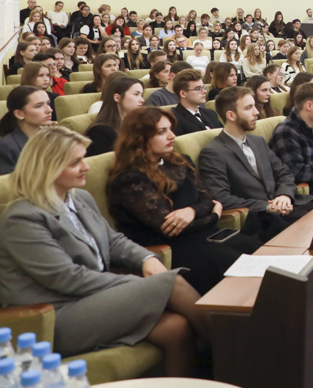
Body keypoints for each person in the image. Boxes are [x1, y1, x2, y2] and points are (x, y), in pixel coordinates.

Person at [0, 126, 212, 375]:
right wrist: (136, 284)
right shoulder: (23, 218)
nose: (86, 166)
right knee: (172, 282)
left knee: (176, 328)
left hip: (92, 299)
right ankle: (236, 354)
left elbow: (113, 241)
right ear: (48, 167)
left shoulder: (78, 197)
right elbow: (68, 279)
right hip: (53, 316)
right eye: (76, 162)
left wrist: (146, 258)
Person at [107, 107, 260, 295]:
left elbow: (208, 197)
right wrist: (213, 214)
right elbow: (170, 228)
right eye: (162, 132)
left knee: (254, 248)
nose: (172, 136)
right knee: (229, 262)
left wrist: (192, 211)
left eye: (171, 129)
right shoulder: (130, 179)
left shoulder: (179, 161)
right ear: (140, 138)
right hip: (170, 249)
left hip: (205, 235)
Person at [197, 87, 313, 242]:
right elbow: (221, 197)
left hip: (286, 207)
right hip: (259, 219)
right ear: (231, 115)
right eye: (249, 108)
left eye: (254, 106)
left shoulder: (258, 141)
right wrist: (267, 206)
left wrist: (284, 195)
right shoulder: (213, 152)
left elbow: (284, 172)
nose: (256, 112)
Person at [0, 86, 54, 175]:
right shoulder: (7, 147)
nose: (49, 110)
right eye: (39, 106)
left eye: (48, 103)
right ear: (19, 114)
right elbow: (9, 185)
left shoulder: (52, 137)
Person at [84, 77, 145, 157]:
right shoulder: (99, 132)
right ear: (117, 97)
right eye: (136, 94)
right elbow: (102, 165)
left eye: (142, 95)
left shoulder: (138, 124)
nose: (142, 100)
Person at [171, 69, 223, 136]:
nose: (204, 91)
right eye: (198, 89)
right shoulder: (174, 119)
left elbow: (224, 137)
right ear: (183, 93)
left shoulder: (210, 113)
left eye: (203, 87)